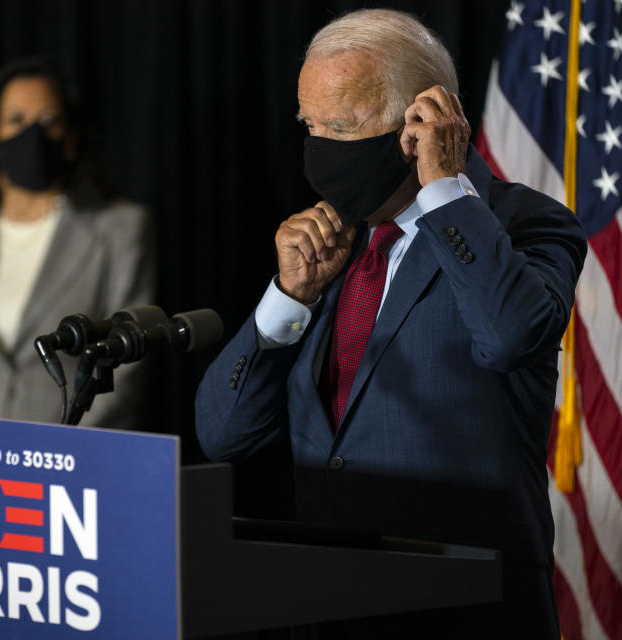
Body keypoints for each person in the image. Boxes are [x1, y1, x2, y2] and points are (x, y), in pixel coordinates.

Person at [195, 9, 586, 639]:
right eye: (310, 125)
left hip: (466, 609)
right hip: (324, 601)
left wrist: (443, 190)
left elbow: (511, 334)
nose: (317, 148)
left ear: (421, 121)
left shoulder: (524, 224)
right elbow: (223, 434)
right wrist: (286, 297)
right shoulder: (331, 244)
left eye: (340, 126)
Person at [0, 59, 155, 429]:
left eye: (48, 121)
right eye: (16, 120)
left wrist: (58, 452)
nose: (32, 135)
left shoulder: (121, 228)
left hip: (71, 460)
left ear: (70, 137)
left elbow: (127, 363)